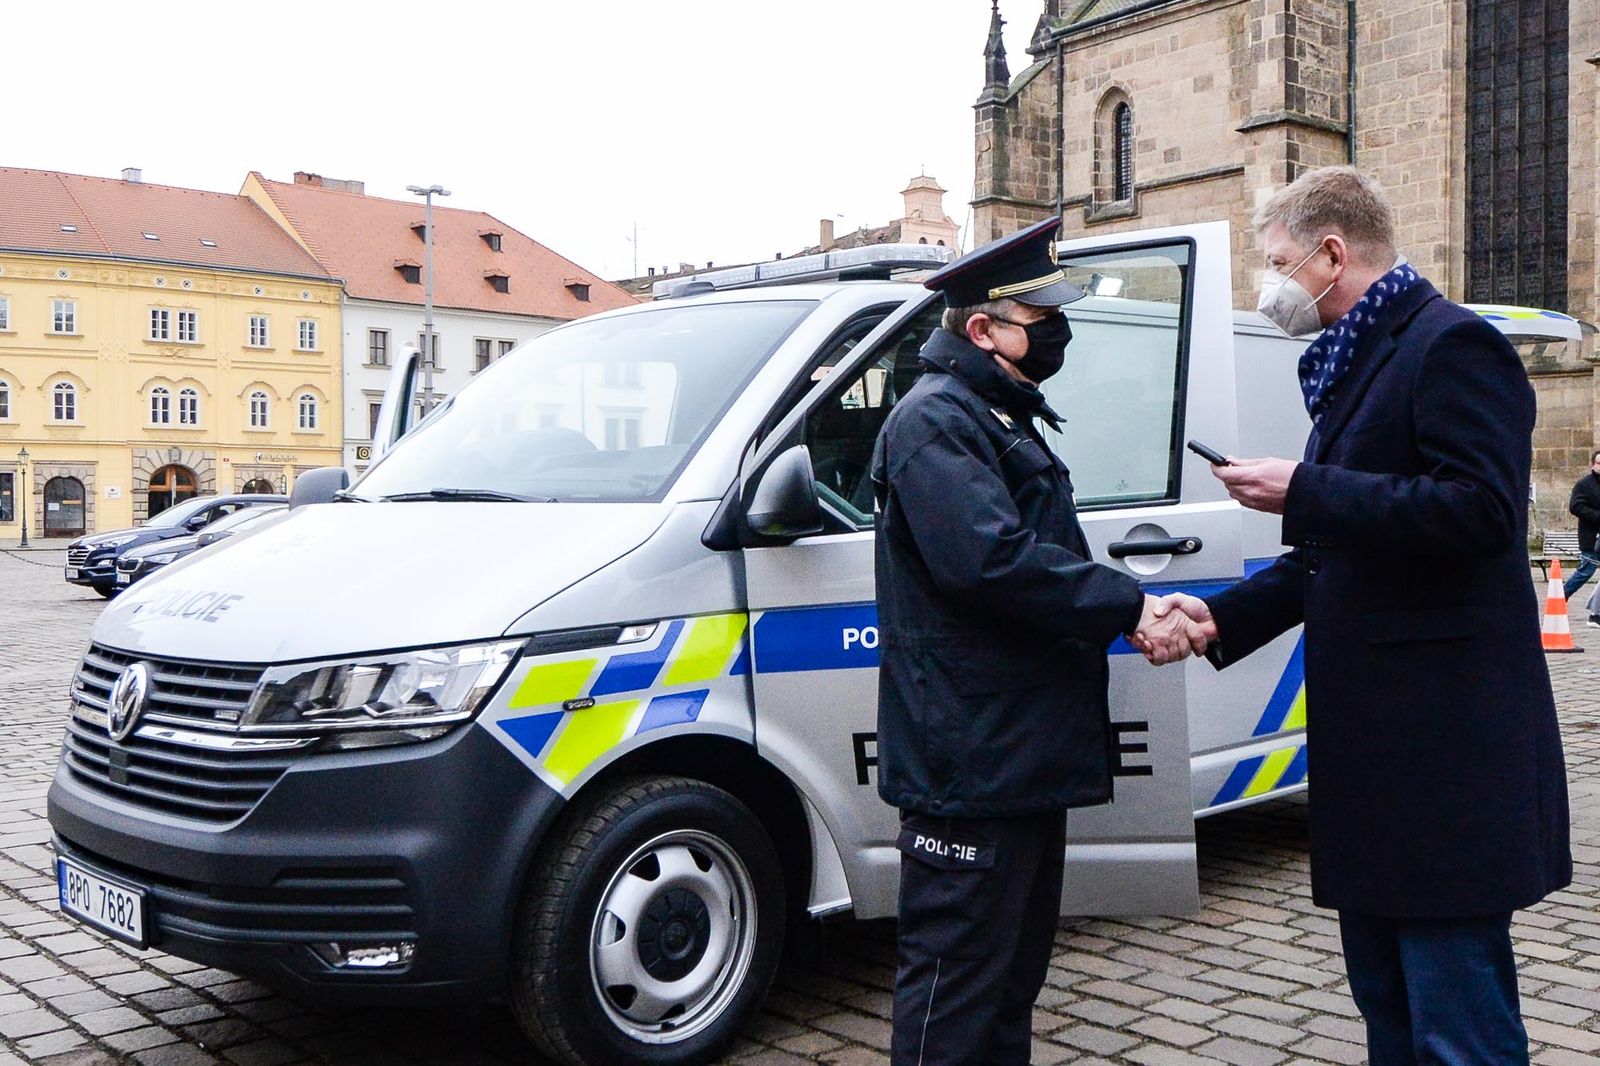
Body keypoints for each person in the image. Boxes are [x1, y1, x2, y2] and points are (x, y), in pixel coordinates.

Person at [1149, 166, 1571, 1064]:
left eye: (1277, 262)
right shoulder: (1353, 360)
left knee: (1459, 1028)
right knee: (1388, 1011)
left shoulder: (1450, 345)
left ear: (1332, 254)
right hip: (1379, 763)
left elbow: (1480, 514)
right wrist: (1221, 617)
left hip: (1443, 760)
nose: (1270, 285)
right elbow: (1334, 554)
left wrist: (1305, 486)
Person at [870, 217, 1197, 1066]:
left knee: (1007, 981)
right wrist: (1129, 608)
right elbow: (992, 562)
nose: (1057, 330)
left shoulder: (992, 412)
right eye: (1038, 315)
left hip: (1012, 754)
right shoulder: (936, 420)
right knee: (957, 989)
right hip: (971, 762)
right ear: (983, 330)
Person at [1564, 450, 1600, 614]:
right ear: (1593, 465)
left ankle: (1596, 611)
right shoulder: (1584, 485)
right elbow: (1576, 506)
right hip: (1592, 537)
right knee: (1586, 571)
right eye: (1599, 463)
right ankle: (1561, 595)